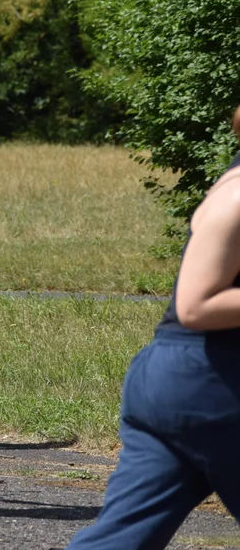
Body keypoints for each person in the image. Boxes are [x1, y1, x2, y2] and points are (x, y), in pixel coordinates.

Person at [66, 107, 240, 548]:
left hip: (177, 385)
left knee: (119, 541)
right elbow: (196, 304)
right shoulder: (236, 195)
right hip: (212, 382)